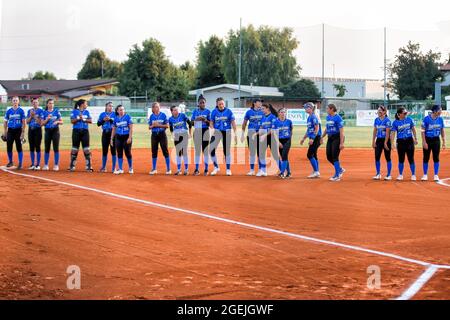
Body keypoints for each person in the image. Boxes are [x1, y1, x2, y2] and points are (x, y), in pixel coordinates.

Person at [209, 97, 237, 176]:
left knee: (226, 151)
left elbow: (233, 123)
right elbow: (211, 122)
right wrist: (212, 128)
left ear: (224, 103)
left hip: (226, 132)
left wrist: (235, 134)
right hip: (217, 132)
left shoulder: (229, 111)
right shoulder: (214, 111)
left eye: (222, 103)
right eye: (219, 104)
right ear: (217, 104)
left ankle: (228, 169)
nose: (221, 105)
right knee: (211, 149)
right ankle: (216, 167)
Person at [390, 107, 418, 181]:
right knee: (401, 159)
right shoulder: (395, 122)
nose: (406, 114)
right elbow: (392, 133)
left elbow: (413, 130)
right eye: (404, 113)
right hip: (400, 142)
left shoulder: (409, 120)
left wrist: (415, 138)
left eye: (406, 113)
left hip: (409, 141)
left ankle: (413, 175)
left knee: (411, 158)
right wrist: (392, 143)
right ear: (399, 114)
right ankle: (400, 174)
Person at [421, 105, 446, 181]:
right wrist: (424, 142)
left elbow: (442, 130)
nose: (441, 112)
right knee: (426, 157)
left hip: (436, 140)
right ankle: (425, 175)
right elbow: (422, 131)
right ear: (435, 111)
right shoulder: (426, 119)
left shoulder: (440, 119)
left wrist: (443, 141)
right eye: (440, 110)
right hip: (428, 140)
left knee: (436, 157)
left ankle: (436, 175)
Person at [321, 104, 345, 182]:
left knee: (335, 156)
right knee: (328, 156)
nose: (326, 110)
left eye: (327, 109)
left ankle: (337, 175)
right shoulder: (328, 117)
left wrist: (341, 143)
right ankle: (340, 169)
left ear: (332, 109)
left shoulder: (338, 118)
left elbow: (342, 132)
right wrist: (322, 136)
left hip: (337, 138)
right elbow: (327, 128)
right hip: (330, 138)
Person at [69, 99, 93, 172]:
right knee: (74, 149)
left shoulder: (87, 112)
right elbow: (72, 121)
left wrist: (84, 119)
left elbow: (90, 121)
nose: (87, 105)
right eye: (86, 103)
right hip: (76, 131)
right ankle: (72, 165)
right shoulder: (74, 111)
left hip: (85, 131)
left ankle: (88, 166)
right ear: (82, 104)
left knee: (87, 149)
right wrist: (79, 118)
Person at [241, 98, 264, 176]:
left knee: (260, 153)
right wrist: (242, 134)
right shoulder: (249, 112)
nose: (260, 103)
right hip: (251, 134)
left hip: (261, 134)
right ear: (254, 103)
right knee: (252, 153)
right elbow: (244, 123)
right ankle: (252, 170)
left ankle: (261, 170)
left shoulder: (263, 111)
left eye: (261, 102)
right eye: (259, 102)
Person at [2, 96, 26, 169]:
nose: (15, 102)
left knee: (19, 146)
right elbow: (5, 122)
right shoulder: (9, 111)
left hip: (18, 130)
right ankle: (10, 162)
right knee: (9, 146)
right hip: (10, 131)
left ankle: (20, 163)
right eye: (14, 100)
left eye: (16, 100)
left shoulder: (21, 111)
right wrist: (5, 132)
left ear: (18, 102)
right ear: (12, 102)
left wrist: (22, 133)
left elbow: (24, 122)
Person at [148, 102, 171, 175]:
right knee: (154, 151)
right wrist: (153, 126)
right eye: (155, 107)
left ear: (159, 107)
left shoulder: (163, 115)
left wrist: (158, 125)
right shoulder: (151, 116)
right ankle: (154, 169)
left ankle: (168, 169)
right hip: (154, 134)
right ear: (153, 108)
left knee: (165, 150)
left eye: (157, 107)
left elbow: (167, 126)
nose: (156, 108)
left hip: (162, 134)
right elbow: (149, 127)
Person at [301, 102, 322, 179]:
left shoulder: (313, 117)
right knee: (314, 155)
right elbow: (309, 130)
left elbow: (317, 128)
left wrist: (312, 138)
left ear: (310, 108)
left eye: (306, 107)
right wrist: (303, 138)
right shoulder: (309, 117)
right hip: (314, 137)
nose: (305, 109)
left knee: (309, 155)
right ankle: (316, 171)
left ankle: (316, 171)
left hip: (316, 138)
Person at [191, 95, 211, 176]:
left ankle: (206, 169)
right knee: (197, 151)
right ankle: (197, 169)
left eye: (204, 103)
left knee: (205, 151)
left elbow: (211, 123)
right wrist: (197, 119)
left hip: (205, 131)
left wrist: (205, 120)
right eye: (201, 103)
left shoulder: (208, 111)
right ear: (198, 104)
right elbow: (191, 123)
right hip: (197, 131)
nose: (202, 104)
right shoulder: (195, 111)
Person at [169, 105, 192, 176]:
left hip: (184, 134)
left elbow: (190, 124)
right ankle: (178, 170)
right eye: (174, 110)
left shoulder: (182, 115)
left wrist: (190, 133)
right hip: (177, 136)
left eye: (177, 109)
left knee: (184, 152)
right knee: (178, 153)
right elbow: (171, 128)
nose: (176, 111)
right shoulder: (170, 119)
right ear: (172, 111)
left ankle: (186, 170)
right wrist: (172, 134)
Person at [258, 104, 279, 177]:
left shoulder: (273, 117)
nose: (262, 110)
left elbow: (272, 129)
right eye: (261, 109)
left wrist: (264, 135)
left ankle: (282, 171)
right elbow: (261, 127)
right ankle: (263, 171)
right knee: (262, 154)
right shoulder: (263, 117)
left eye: (263, 109)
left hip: (272, 137)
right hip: (264, 137)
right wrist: (259, 134)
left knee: (275, 155)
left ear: (268, 109)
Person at [111, 105, 133, 175]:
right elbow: (114, 129)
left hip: (126, 137)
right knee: (119, 152)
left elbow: (131, 128)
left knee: (127, 152)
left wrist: (129, 137)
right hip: (118, 137)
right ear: (117, 111)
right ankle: (120, 169)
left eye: (123, 109)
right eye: (120, 110)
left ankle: (130, 168)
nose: (122, 111)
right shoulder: (116, 118)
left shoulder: (128, 117)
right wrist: (111, 138)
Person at [372, 105, 392, 180]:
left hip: (386, 140)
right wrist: (373, 141)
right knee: (377, 157)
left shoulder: (387, 120)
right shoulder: (376, 120)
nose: (379, 112)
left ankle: (389, 175)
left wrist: (386, 142)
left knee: (387, 157)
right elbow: (375, 131)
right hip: (379, 140)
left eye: (380, 110)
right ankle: (378, 174)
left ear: (384, 112)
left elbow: (387, 132)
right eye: (378, 110)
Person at [41, 99, 63, 171]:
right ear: (47, 104)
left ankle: (56, 165)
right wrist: (47, 119)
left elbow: (61, 121)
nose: (51, 105)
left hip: (55, 131)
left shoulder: (56, 111)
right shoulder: (44, 112)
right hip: (47, 131)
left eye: (52, 103)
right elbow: (42, 124)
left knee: (56, 148)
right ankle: (46, 165)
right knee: (47, 148)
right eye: (50, 103)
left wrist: (57, 122)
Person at [97, 102, 117, 173]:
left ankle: (114, 168)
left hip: (113, 133)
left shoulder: (115, 114)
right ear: (106, 107)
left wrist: (110, 120)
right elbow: (98, 124)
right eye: (109, 106)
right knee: (104, 150)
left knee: (113, 151)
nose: (111, 107)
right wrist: (103, 120)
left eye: (112, 106)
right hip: (105, 133)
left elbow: (117, 123)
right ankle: (103, 167)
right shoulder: (102, 114)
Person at [273, 108, 293, 179]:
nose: (283, 113)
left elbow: (291, 130)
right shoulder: (275, 122)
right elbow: (274, 133)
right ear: (278, 113)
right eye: (281, 112)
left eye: (284, 112)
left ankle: (282, 172)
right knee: (284, 156)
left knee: (284, 156)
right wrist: (278, 142)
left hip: (287, 140)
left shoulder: (289, 121)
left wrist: (290, 139)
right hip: (279, 141)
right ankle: (289, 172)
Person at [26, 97, 44, 170]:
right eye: (33, 102)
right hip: (31, 130)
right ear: (32, 103)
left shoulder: (41, 111)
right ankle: (32, 164)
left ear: (38, 103)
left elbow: (40, 123)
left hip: (37, 130)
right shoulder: (29, 111)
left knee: (37, 146)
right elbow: (27, 122)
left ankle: (38, 164)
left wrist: (34, 116)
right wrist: (31, 116)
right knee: (31, 147)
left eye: (36, 102)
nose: (35, 104)